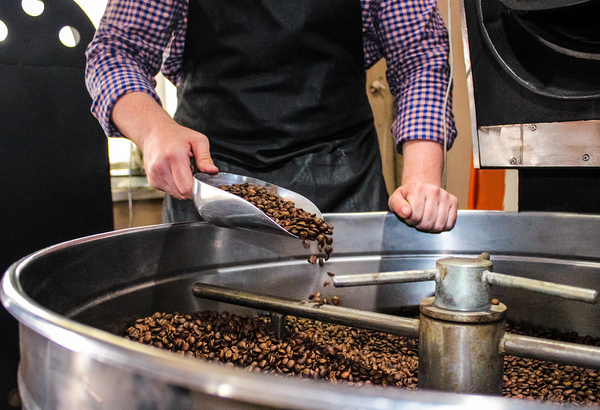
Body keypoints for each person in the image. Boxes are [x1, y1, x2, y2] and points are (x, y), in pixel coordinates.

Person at [86, 0, 459, 233]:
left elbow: (421, 56)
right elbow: (116, 51)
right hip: (211, 183)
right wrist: (154, 131)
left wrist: (421, 182)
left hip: (344, 183)